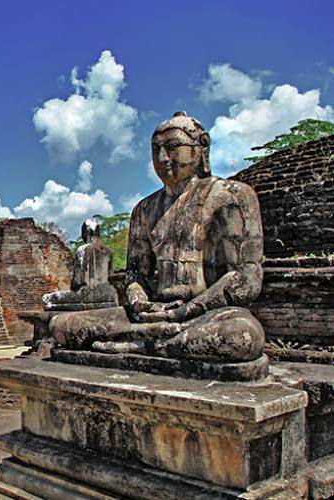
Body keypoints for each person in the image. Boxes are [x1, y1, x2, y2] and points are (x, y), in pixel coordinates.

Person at [48, 112, 265, 363]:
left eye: (173, 147)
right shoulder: (144, 209)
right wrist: (139, 301)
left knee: (240, 336)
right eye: (156, 149)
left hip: (204, 314)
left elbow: (245, 279)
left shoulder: (231, 196)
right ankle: (151, 339)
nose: (163, 158)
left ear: (201, 146)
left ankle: (137, 343)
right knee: (61, 326)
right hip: (152, 314)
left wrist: (185, 311)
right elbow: (136, 276)